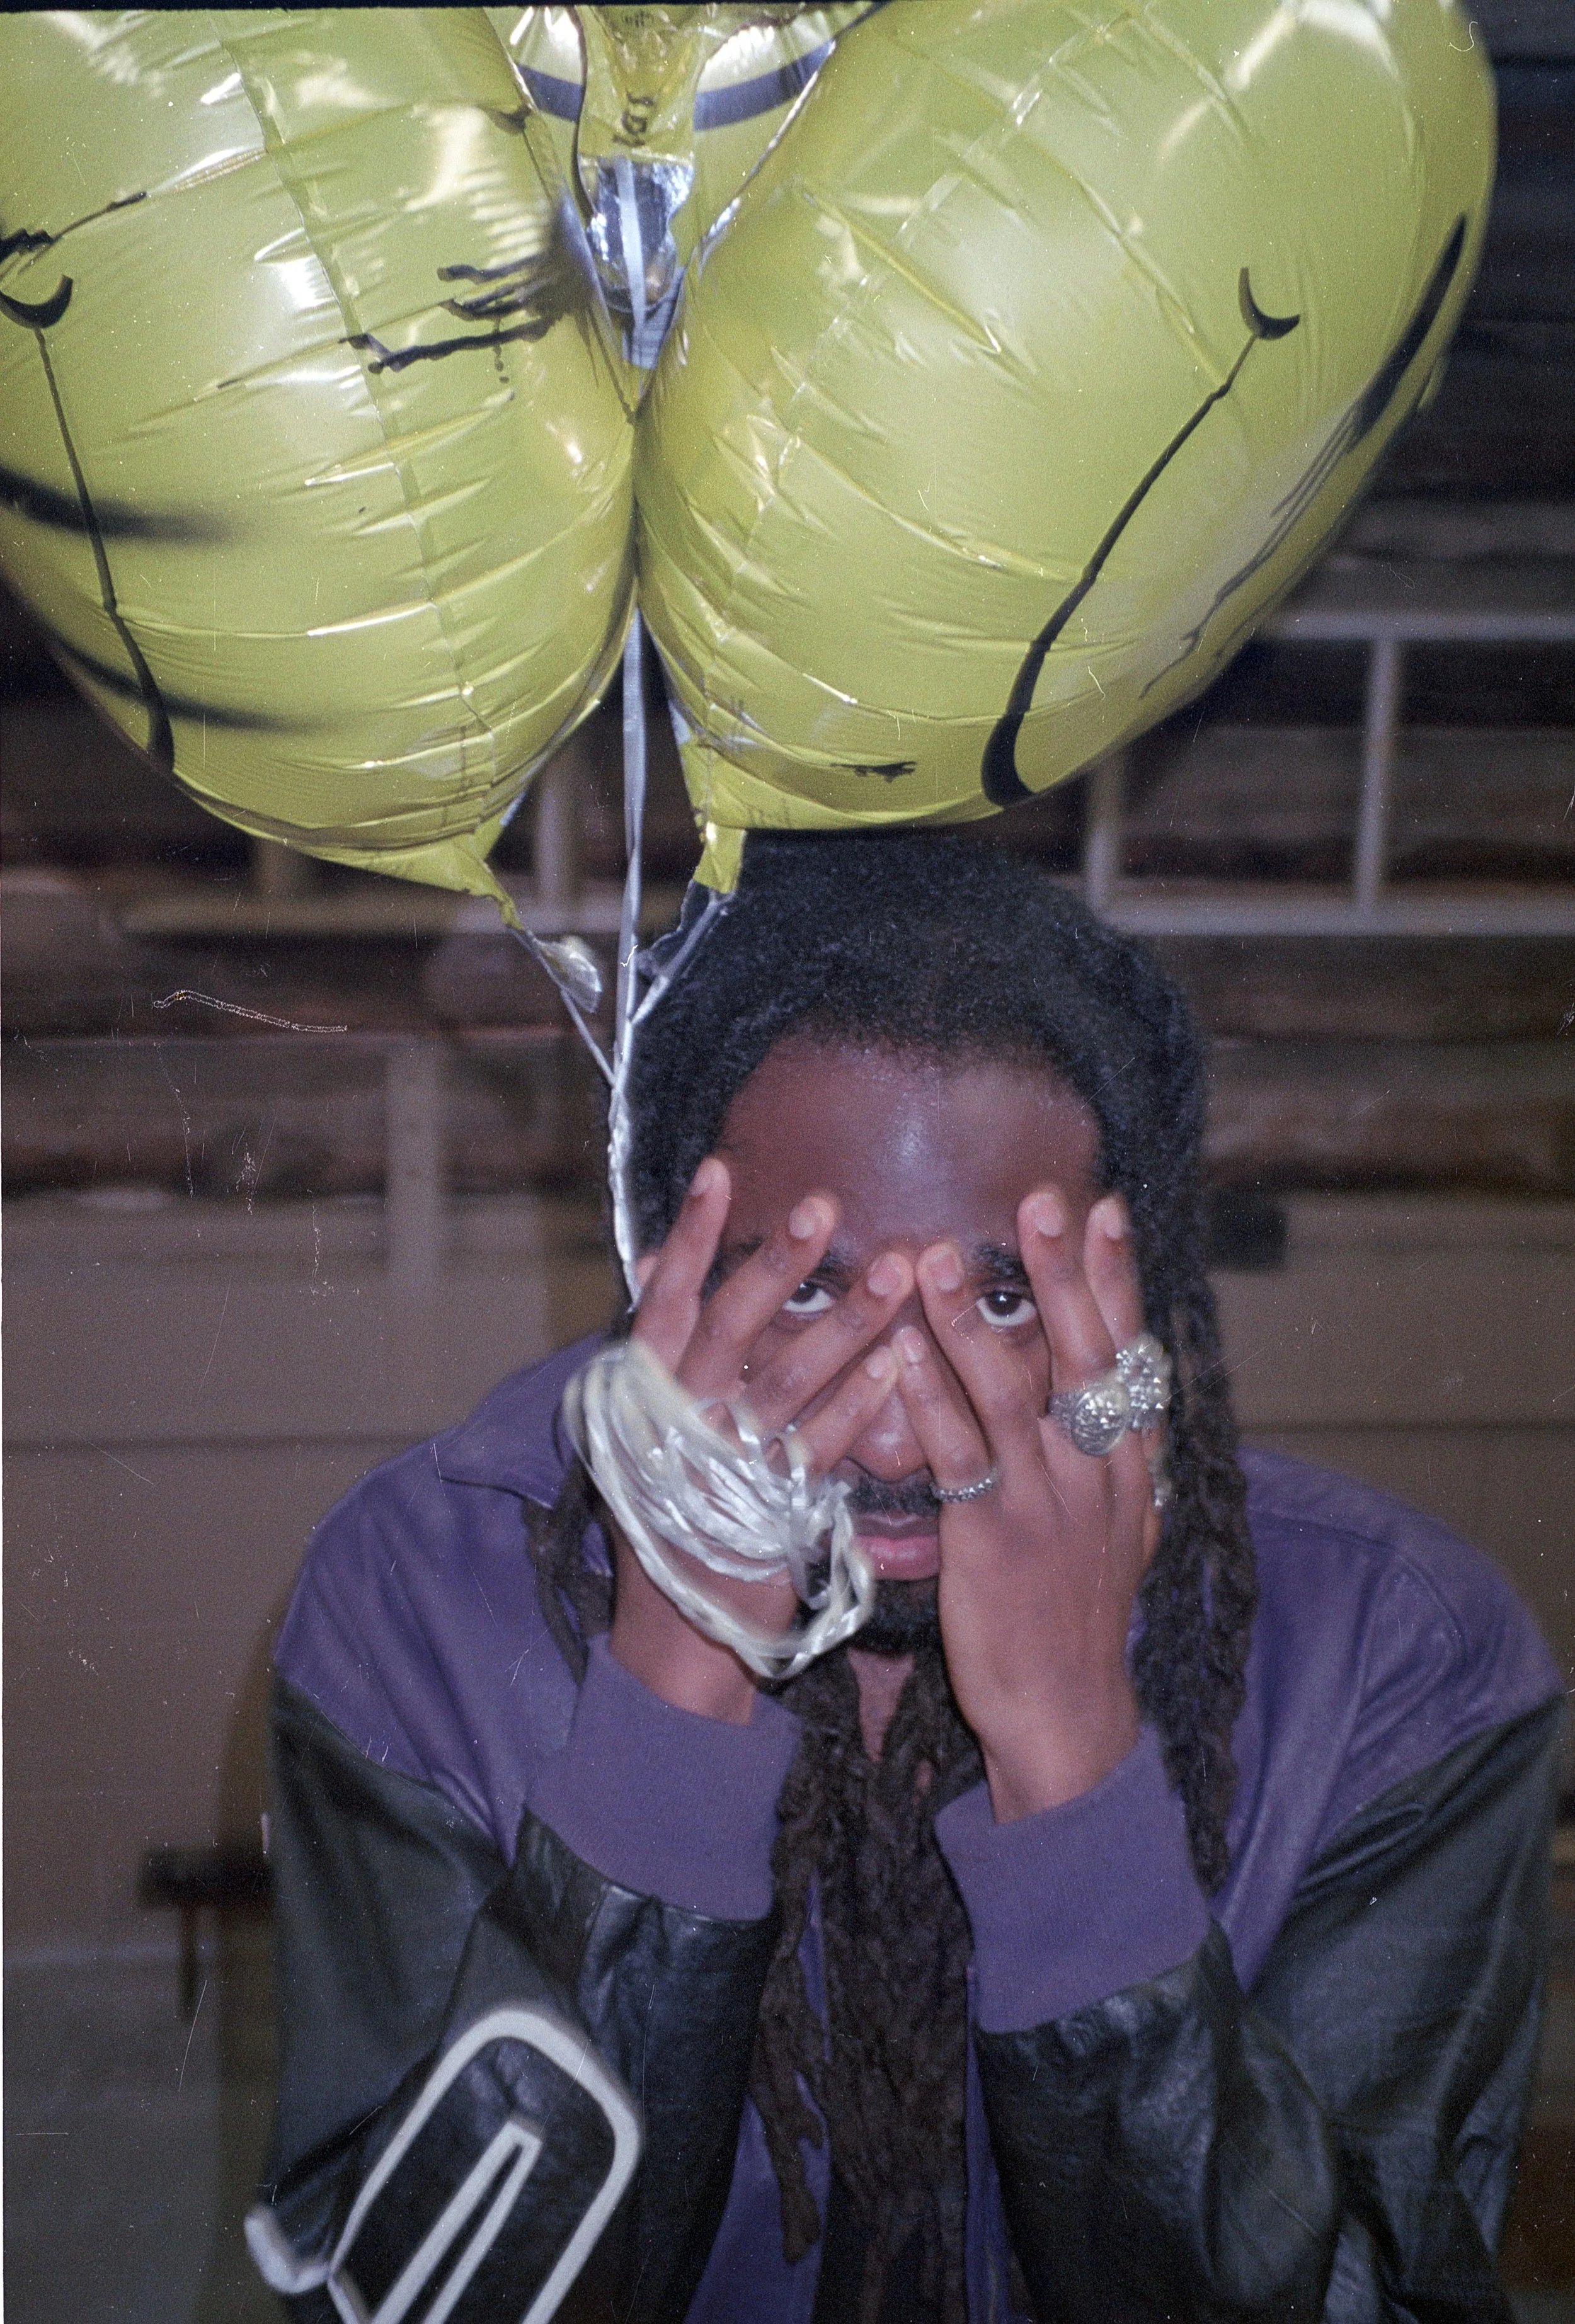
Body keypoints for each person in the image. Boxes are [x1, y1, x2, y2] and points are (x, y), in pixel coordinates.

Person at [246, 831, 1564, 2324]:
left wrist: (1074, 1771)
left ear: (1135, 1303)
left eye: (998, 1297)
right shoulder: (415, 1600)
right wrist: (668, 1707)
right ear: (659, 1269)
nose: (896, 1414)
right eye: (807, 1285)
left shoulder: (1401, 1662)